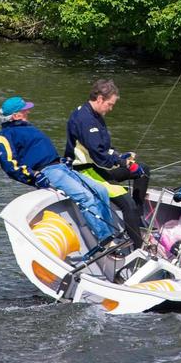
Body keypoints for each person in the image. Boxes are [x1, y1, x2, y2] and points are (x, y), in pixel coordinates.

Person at [0, 95, 117, 247]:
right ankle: (105, 240)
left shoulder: (28, 128)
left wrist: (61, 160)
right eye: (25, 110)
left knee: (101, 191)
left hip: (61, 167)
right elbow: (9, 165)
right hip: (48, 171)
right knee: (86, 198)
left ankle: (111, 232)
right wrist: (33, 176)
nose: (28, 112)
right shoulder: (4, 137)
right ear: (16, 115)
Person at [65, 79, 150, 250]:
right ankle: (138, 248)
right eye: (110, 104)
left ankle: (137, 220)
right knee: (128, 203)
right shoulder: (86, 120)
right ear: (99, 99)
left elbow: (104, 149)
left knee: (144, 170)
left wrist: (120, 156)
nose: (111, 109)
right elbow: (100, 159)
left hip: (99, 167)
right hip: (87, 172)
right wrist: (124, 162)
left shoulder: (96, 115)